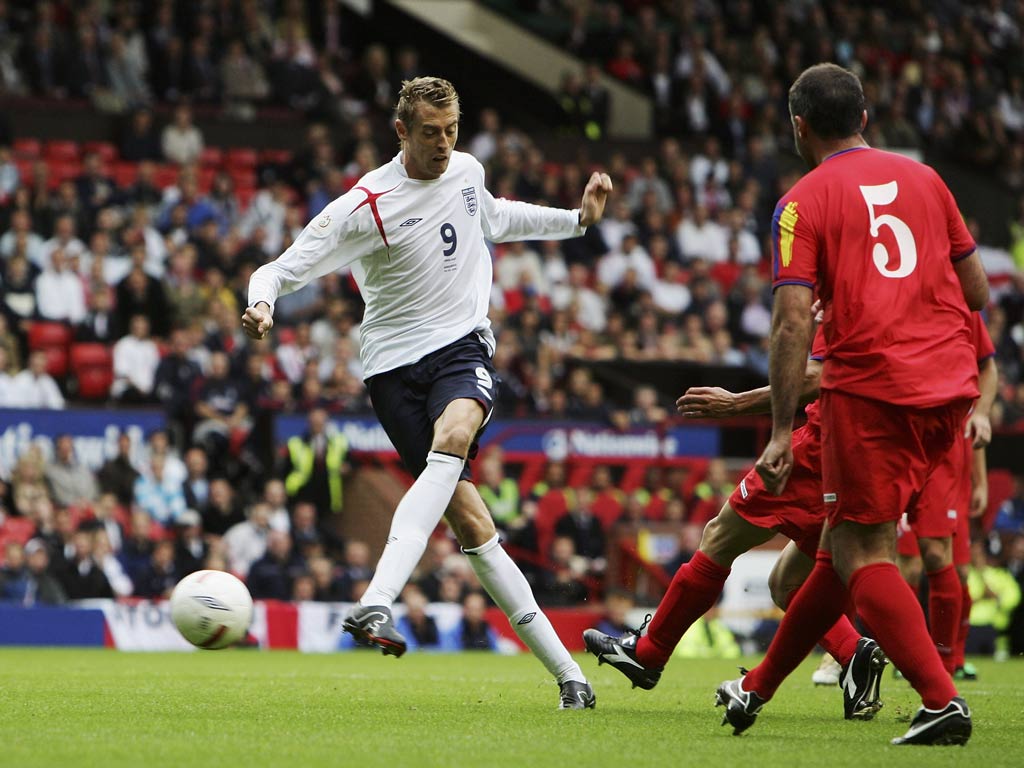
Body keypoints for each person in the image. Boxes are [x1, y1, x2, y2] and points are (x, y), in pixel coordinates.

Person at [243, 76, 610, 709]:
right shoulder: (367, 205)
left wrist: (576, 221)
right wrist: (261, 303)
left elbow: (495, 217)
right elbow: (281, 266)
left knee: (456, 432)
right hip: (391, 371)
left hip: (462, 347)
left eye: (451, 132)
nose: (443, 145)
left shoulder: (466, 171)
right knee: (472, 522)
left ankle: (375, 602)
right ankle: (570, 676)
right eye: (431, 133)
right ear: (401, 133)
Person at [713, 63, 987, 746]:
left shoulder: (801, 202)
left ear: (798, 126)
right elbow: (977, 290)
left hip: (873, 391)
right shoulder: (927, 179)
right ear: (865, 118)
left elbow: (792, 322)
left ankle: (941, 698)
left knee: (865, 552)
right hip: (950, 391)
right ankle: (756, 687)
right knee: (838, 553)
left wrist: (778, 429)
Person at [584, 325, 883, 722]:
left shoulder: (850, 295)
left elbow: (816, 377)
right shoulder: (910, 300)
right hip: (868, 457)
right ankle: (856, 655)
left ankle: (649, 654)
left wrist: (736, 404)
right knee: (789, 584)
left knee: (719, 537)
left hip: (820, 450)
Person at [895, 312, 998, 680]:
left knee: (946, 559)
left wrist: (981, 482)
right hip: (899, 438)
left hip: (945, 450)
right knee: (895, 562)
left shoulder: (963, 309)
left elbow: (984, 384)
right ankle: (900, 652)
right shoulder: (896, 295)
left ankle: (948, 659)